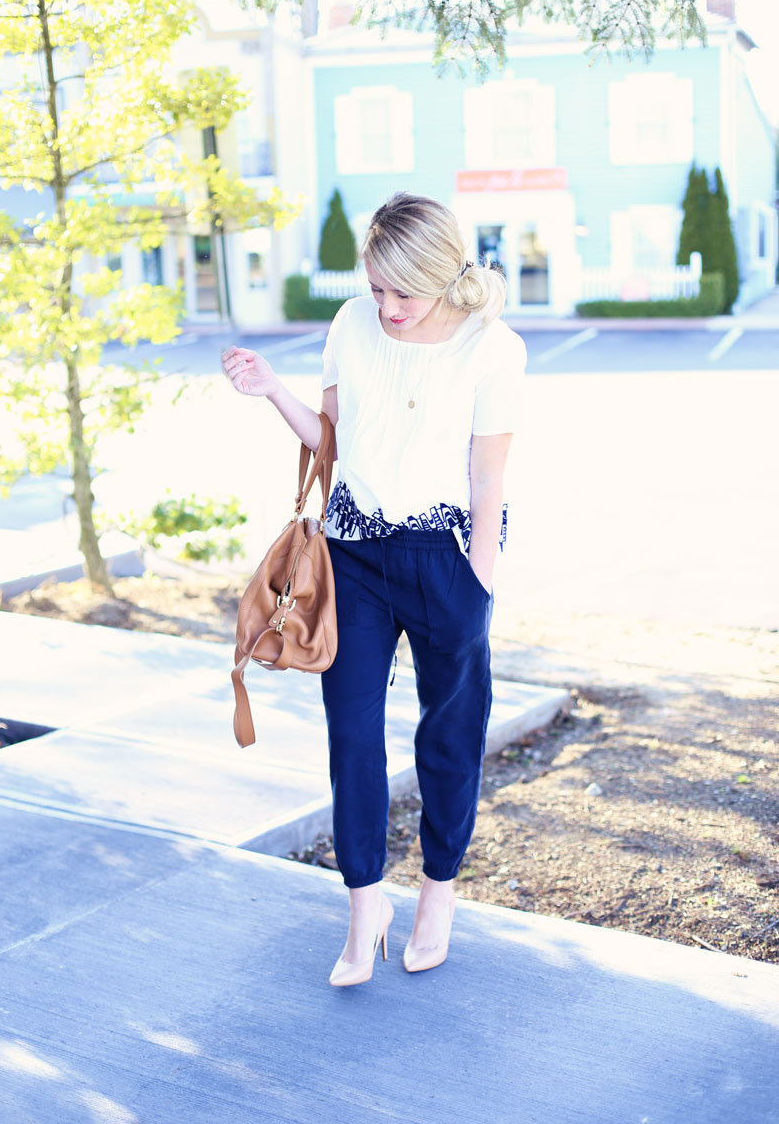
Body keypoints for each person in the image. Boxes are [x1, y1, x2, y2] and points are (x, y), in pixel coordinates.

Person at [222, 192, 526, 987]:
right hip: (353, 555)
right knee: (351, 733)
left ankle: (437, 892)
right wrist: (273, 389)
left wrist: (477, 589)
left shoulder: (493, 348)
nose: (387, 307)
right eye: (377, 287)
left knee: (449, 735)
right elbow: (330, 444)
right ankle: (365, 906)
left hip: (444, 559)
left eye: (404, 292)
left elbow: (488, 479)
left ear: (444, 274)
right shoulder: (351, 325)